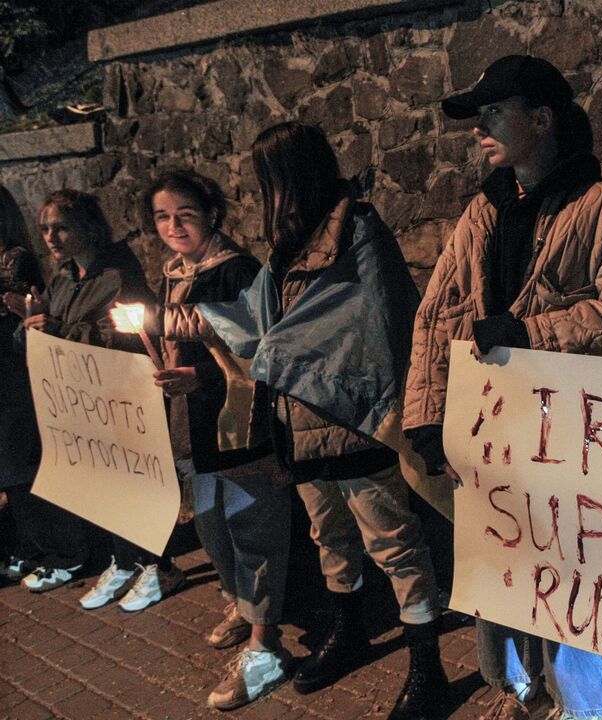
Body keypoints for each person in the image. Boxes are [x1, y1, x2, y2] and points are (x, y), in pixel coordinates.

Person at [150, 122, 450, 720]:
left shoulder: (357, 230)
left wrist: (265, 347)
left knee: (393, 544)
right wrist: (216, 332)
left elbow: (373, 323)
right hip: (301, 420)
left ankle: (428, 667)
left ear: (295, 176)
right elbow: (269, 328)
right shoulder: (289, 244)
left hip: (355, 417)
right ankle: (351, 631)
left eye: (272, 180)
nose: (268, 195)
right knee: (329, 535)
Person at [404, 55, 602, 720]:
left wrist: (531, 332)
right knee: (507, 571)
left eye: (493, 114)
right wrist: (429, 418)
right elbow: (436, 317)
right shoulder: (482, 213)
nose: (480, 129)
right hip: (495, 431)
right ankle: (520, 692)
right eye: (477, 117)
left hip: (571, 437)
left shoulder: (600, 209)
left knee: (572, 577)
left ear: (540, 120)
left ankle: (580, 707)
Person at [134, 168, 294, 710]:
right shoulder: (174, 274)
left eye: (185, 214)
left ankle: (265, 645)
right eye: (161, 216)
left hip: (238, 431)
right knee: (212, 526)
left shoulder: (237, 272)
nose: (173, 226)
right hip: (192, 432)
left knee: (254, 529)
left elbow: (262, 351)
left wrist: (198, 378)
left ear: (211, 214)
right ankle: (241, 604)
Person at [13, 189, 185, 605]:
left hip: (120, 396)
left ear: (87, 227)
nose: (51, 238)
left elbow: (126, 333)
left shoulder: (116, 273)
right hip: (84, 401)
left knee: (133, 481)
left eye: (61, 227)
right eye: (45, 230)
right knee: (103, 483)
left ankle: (158, 565)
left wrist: (57, 333)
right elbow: (51, 327)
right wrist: (30, 327)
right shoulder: (64, 277)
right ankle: (124, 559)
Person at [0, 184, 45, 584]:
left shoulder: (15, 261)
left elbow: (20, 311)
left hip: (13, 372)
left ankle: (34, 548)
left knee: (17, 465)